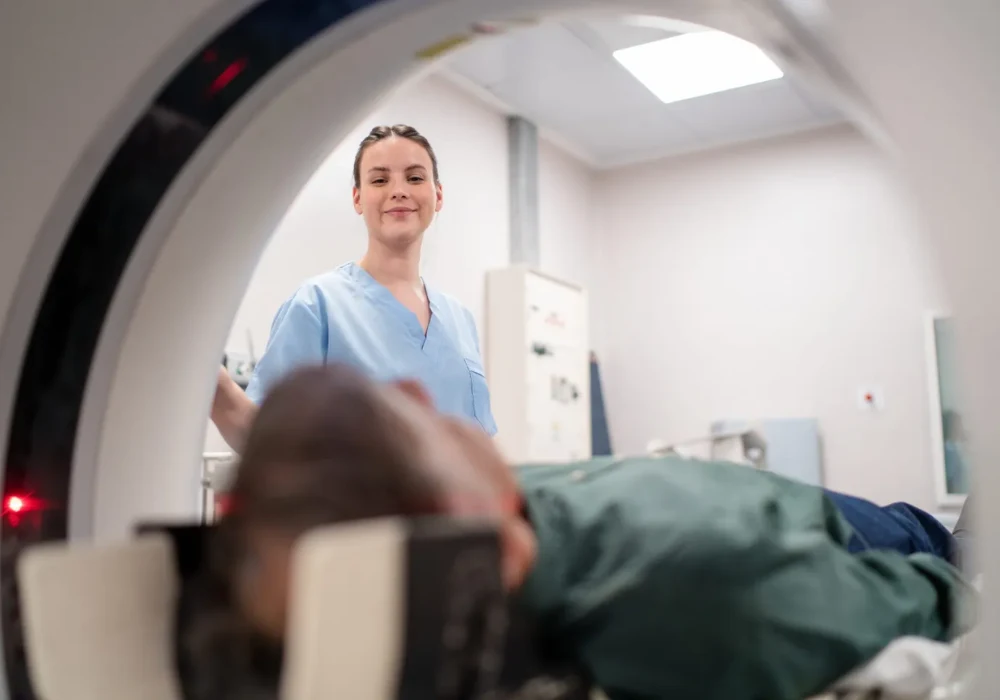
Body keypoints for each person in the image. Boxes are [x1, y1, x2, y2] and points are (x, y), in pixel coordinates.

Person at [183, 364, 976, 700]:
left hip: (883, 523)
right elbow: (947, 594)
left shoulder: (463, 503)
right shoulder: (699, 603)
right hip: (906, 545)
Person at [210, 124, 496, 452]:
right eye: (379, 179)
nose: (399, 190)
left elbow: (479, 443)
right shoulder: (319, 306)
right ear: (358, 198)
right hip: (360, 503)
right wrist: (213, 387)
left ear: (438, 195)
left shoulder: (460, 319)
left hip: (457, 503)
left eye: (415, 178)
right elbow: (267, 440)